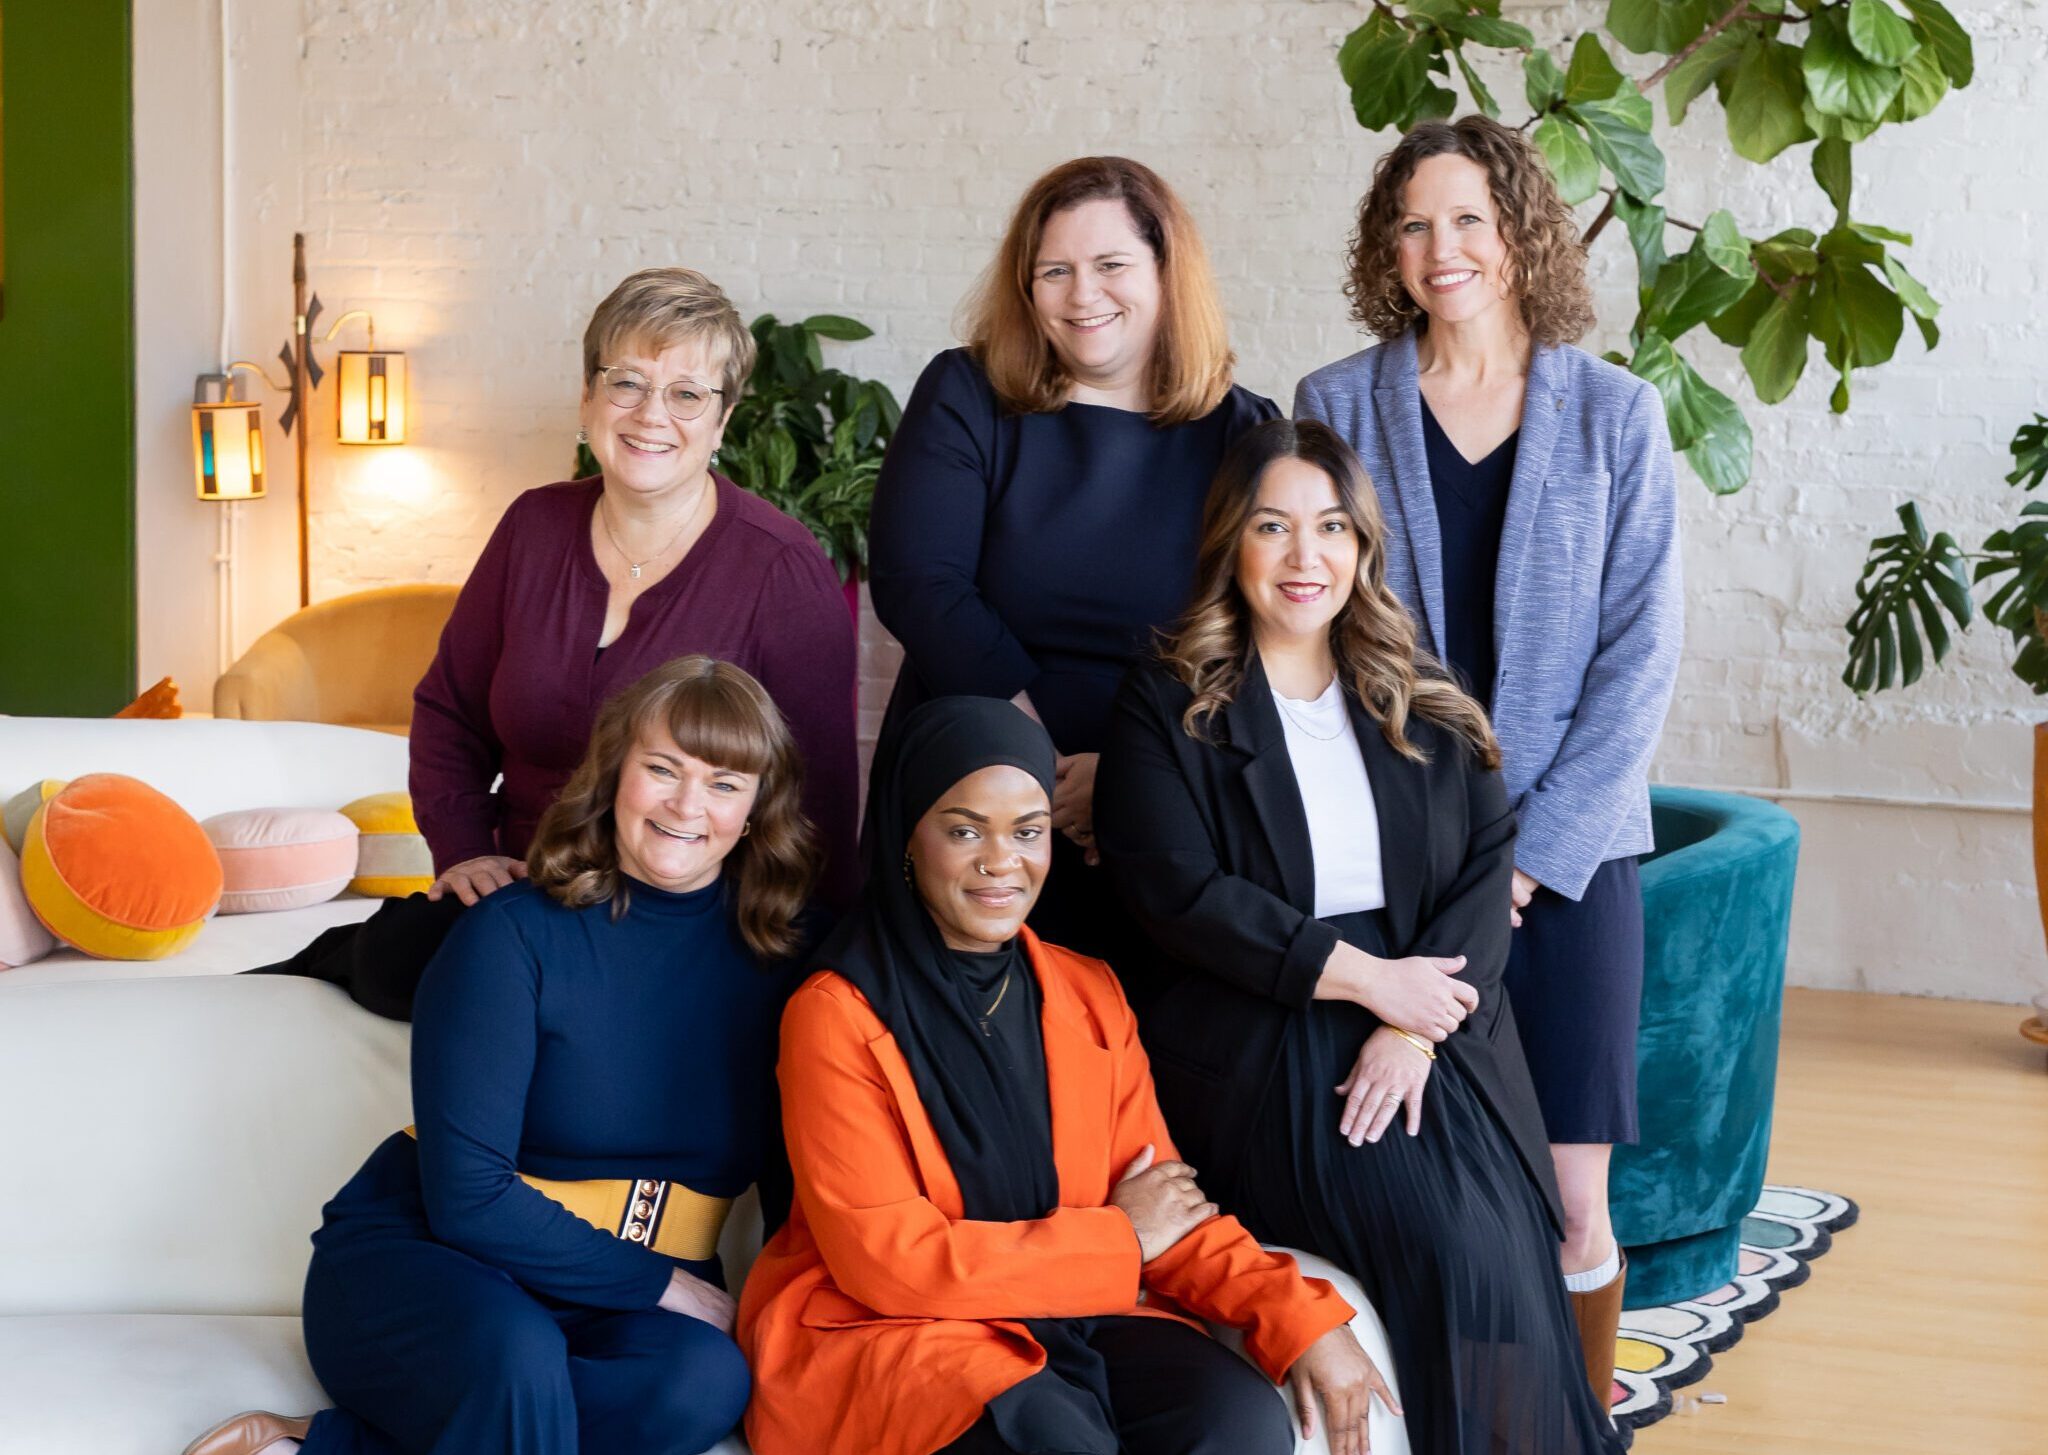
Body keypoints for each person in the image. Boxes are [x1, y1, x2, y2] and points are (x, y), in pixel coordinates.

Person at [1096, 420, 1626, 1453]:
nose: (1306, 558)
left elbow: (1485, 868)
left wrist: (1412, 1025)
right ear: (1228, 543)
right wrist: (1364, 985)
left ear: (1362, 547)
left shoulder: (1419, 697)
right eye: (1273, 527)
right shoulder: (1168, 703)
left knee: (1514, 1231)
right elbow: (1176, 892)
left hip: (1433, 1033)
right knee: (1445, 1241)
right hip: (1269, 1040)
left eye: (1331, 527)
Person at [183, 657, 821, 1455]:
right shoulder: (513, 933)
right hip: (428, 1262)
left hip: (611, 1296)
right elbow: (469, 1199)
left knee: (702, 1382)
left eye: (725, 782)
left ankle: (332, 1445)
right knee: (519, 1358)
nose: (688, 804)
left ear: (760, 808)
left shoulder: (784, 961)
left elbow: (802, 1175)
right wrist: (658, 1281)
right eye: (663, 768)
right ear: (616, 773)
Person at [1292, 115, 1682, 1403]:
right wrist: (1451, 865)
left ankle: (1580, 1418)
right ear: (1383, 247)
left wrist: (1515, 866)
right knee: (1453, 1179)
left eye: (1468, 218)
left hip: (1567, 870)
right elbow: (1321, 627)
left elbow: (1636, 671)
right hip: (1403, 855)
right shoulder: (1334, 405)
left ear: (1518, 233)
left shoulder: (1616, 416)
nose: (1440, 247)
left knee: (1572, 1195)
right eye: (1412, 223)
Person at [738, 696, 1395, 1455]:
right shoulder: (834, 1012)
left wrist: (1298, 1314)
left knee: (1233, 1419)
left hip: (1071, 1312)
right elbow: (893, 1263)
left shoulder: (1088, 993)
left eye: (1027, 831)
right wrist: (1120, 1240)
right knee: (1051, 1434)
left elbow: (1169, 1215)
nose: (1001, 860)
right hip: (895, 1329)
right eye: (963, 829)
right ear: (907, 839)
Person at [258, 266, 858, 1019]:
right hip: (521, 894)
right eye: (627, 382)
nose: (651, 415)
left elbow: (819, 809)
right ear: (587, 396)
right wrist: (465, 849)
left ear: (722, 420)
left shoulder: (782, 569)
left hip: (689, 923)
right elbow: (449, 712)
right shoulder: (532, 528)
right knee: (370, 961)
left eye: (686, 394)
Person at [867, 157, 1276, 992]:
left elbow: (1259, 634)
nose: (1082, 293)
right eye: (1055, 270)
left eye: (1111, 265)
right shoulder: (968, 394)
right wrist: (1034, 771)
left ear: (1166, 272)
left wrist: (1125, 778)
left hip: (1163, 804)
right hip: (974, 791)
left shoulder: (1245, 431)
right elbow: (920, 582)